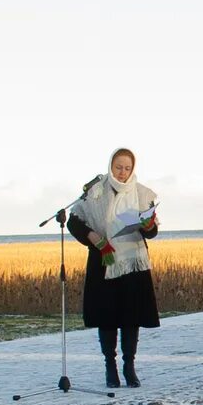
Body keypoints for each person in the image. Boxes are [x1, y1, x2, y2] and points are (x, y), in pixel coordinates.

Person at [63, 148, 161, 390]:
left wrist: (148, 225)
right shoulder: (96, 191)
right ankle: (110, 366)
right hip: (103, 259)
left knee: (131, 316)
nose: (122, 172)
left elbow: (152, 231)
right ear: (110, 166)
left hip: (133, 262)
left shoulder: (142, 193)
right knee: (107, 317)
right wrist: (93, 237)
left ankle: (129, 366)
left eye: (127, 168)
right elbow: (75, 221)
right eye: (118, 167)